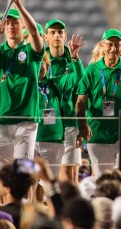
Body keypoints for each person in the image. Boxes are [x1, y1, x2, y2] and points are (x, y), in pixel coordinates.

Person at [0, 0, 44, 171]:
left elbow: (34, 32)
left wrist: (18, 4)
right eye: (8, 23)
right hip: (1, 119)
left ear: (21, 26)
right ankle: (5, 201)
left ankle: (21, 200)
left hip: (26, 119)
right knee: (3, 172)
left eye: (15, 22)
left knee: (22, 171)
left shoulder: (31, 51)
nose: (11, 26)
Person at [76, 29, 121, 179]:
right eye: (109, 44)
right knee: (102, 180)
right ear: (102, 46)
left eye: (117, 45)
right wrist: (82, 125)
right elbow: (80, 103)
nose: (113, 48)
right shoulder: (91, 71)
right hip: (98, 133)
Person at [43, 18, 85, 182]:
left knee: (69, 175)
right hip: (47, 126)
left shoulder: (73, 61)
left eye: (60, 32)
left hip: (69, 123)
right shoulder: (41, 61)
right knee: (47, 176)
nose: (56, 36)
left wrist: (81, 125)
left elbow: (80, 96)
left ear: (65, 36)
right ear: (46, 37)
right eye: (52, 32)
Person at [35, 45, 84, 177]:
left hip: (53, 139)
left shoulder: (55, 83)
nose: (39, 66)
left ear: (48, 66)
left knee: (51, 180)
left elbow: (78, 76)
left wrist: (74, 58)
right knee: (31, 182)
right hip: (31, 138)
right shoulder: (26, 86)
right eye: (36, 63)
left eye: (43, 63)